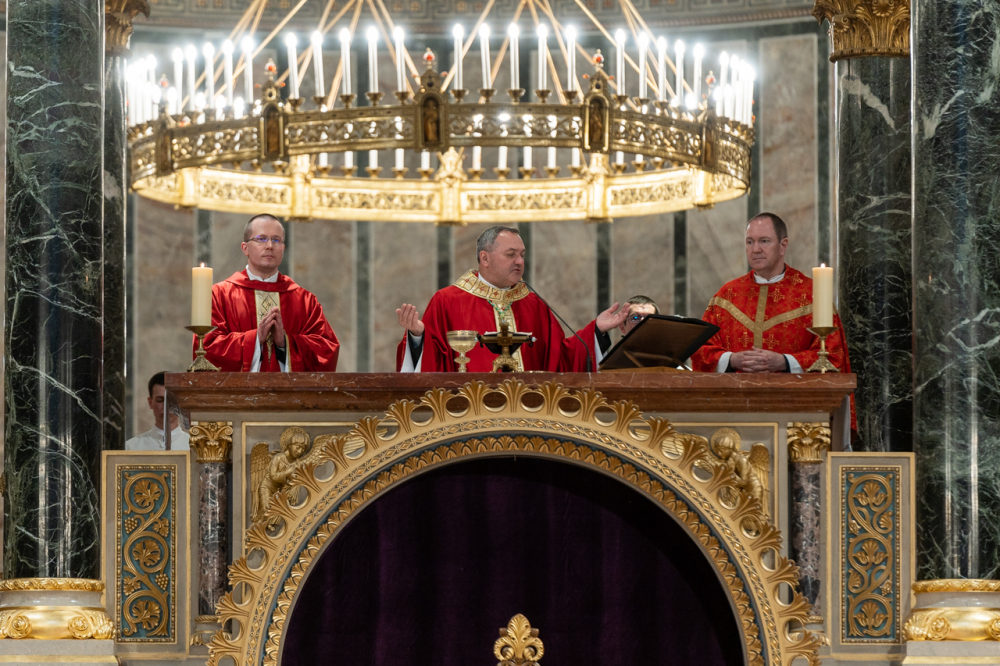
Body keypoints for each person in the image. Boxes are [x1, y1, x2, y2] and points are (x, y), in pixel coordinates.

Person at [395, 225, 629, 372]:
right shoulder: (447, 301)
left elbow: (560, 357)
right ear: (485, 258)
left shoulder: (533, 303)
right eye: (511, 254)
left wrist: (595, 330)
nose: (519, 261)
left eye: (522, 255)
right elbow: (432, 363)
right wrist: (417, 336)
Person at [691, 212, 851, 374]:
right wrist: (732, 359)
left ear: (783, 246)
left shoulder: (812, 294)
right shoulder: (727, 295)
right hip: (737, 390)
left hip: (791, 390)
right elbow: (700, 350)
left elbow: (833, 357)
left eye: (764, 241)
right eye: (750, 242)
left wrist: (785, 362)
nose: (756, 249)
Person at [199, 214, 340, 372]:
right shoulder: (220, 296)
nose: (270, 246)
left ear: (283, 249)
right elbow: (206, 348)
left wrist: (285, 343)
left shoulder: (305, 301)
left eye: (276, 240)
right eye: (261, 239)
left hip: (289, 389)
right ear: (245, 248)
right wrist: (255, 339)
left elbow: (326, 350)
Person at [126, 371, 190, 451]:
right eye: (160, 400)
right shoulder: (131, 448)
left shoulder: (195, 447)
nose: (167, 406)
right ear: (150, 402)